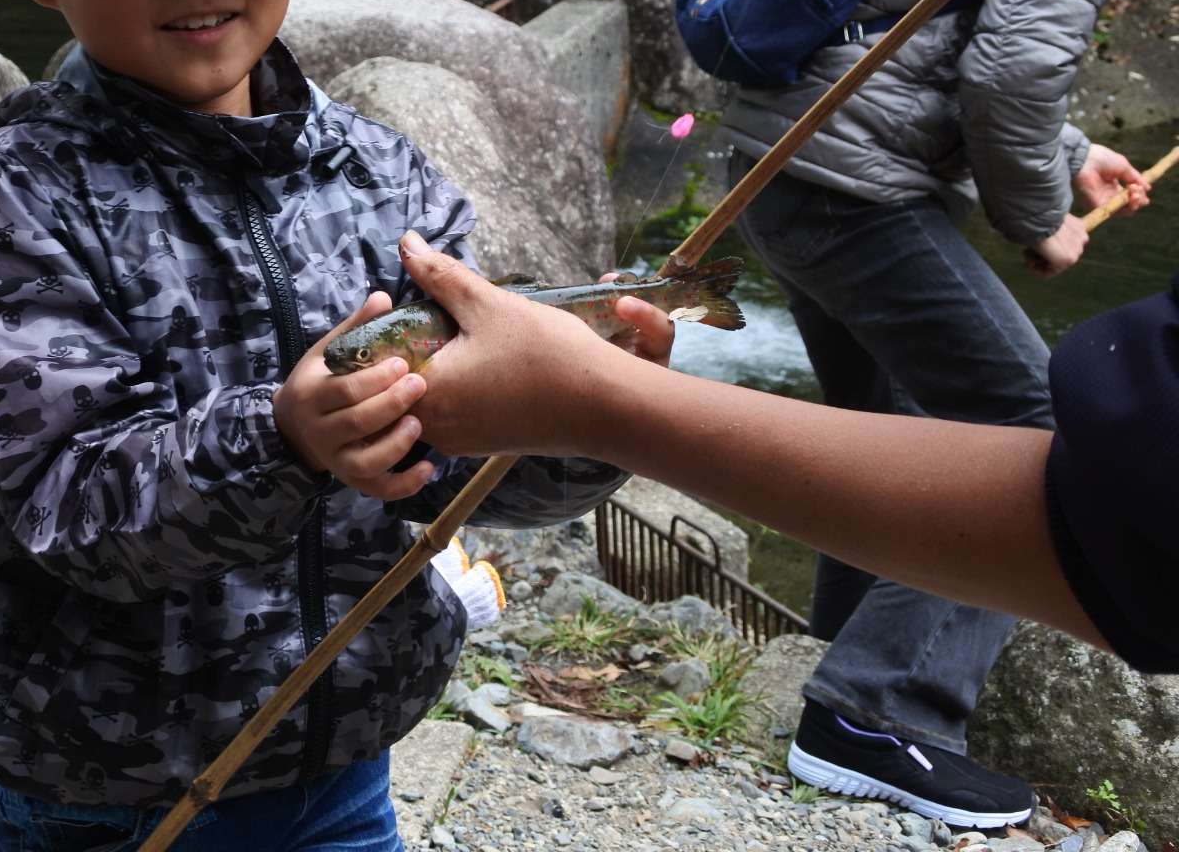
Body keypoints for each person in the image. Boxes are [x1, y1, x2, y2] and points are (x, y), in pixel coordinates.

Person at [0, 0, 650, 852]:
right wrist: (283, 438)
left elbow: (466, 475)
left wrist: (594, 411)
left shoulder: (387, 176)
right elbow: (68, 507)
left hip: (340, 768)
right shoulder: (23, 194)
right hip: (101, 792)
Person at [705, 0, 1171, 826]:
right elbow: (1007, 73)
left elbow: (941, 22)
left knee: (895, 429)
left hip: (791, 168)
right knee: (1047, 435)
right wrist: (1039, 222)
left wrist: (1068, 157)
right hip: (852, 190)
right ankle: (878, 707)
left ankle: (835, 658)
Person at [388, 232, 1179, 676]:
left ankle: (851, 666)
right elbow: (1125, 518)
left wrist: (596, 406)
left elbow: (1126, 513)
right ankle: (880, 699)